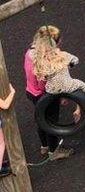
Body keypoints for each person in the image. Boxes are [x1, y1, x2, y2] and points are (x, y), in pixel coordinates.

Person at [25, 26, 74, 160]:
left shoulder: (30, 52)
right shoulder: (44, 60)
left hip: (31, 92)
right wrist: (60, 96)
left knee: (41, 119)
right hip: (45, 94)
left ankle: (45, 146)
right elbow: (48, 83)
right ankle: (54, 152)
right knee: (51, 123)